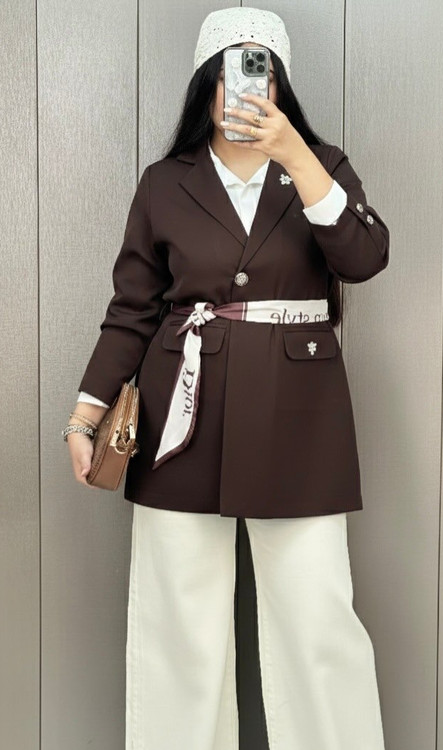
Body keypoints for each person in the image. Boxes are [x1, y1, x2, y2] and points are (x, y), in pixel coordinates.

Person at [64, 6, 389, 749]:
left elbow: (365, 259)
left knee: (317, 620)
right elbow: (132, 310)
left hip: (300, 418)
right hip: (181, 418)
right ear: (205, 84)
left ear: (279, 84)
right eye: (229, 71)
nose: (243, 86)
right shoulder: (164, 183)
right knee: (179, 624)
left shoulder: (321, 165)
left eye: (260, 69)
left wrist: (298, 157)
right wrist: (85, 415)